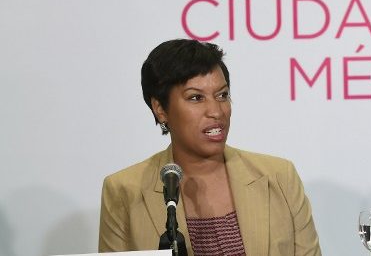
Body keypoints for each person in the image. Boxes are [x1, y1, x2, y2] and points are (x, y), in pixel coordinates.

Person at [99, 39, 322, 256]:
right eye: (196, 97)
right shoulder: (124, 191)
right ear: (160, 109)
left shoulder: (279, 177)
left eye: (222, 95)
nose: (216, 111)